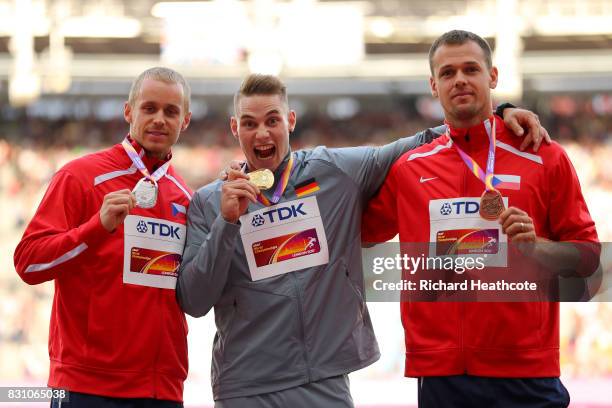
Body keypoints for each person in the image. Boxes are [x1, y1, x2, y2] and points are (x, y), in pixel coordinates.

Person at [177, 73, 547, 407]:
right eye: (250, 123)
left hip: (325, 382)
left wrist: (496, 116)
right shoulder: (209, 202)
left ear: (290, 121)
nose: (262, 134)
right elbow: (193, 300)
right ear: (233, 127)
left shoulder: (335, 170)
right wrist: (227, 223)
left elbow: (420, 142)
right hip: (246, 387)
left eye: (272, 120)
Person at [362, 30, 600, 407]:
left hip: (526, 372)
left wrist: (538, 248)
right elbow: (356, 231)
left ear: (492, 76)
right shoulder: (409, 170)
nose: (459, 79)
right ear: (433, 85)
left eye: (471, 69)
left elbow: (589, 259)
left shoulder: (542, 155)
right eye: (447, 72)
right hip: (442, 375)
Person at [14, 67, 193, 408]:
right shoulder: (80, 177)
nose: (159, 119)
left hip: (162, 389)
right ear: (129, 111)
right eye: (149, 108)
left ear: (185, 120)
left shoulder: (186, 197)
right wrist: (96, 227)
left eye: (171, 112)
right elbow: (28, 262)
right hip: (87, 387)